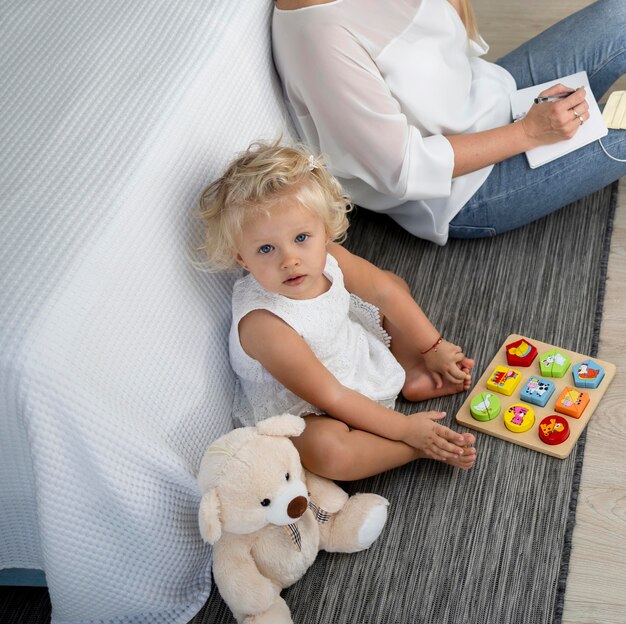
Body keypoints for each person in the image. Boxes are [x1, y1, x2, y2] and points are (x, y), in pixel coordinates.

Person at [199, 141, 477, 480]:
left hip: (347, 350)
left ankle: (413, 370)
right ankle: (417, 448)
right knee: (328, 452)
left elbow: (385, 293)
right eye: (266, 249)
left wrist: (433, 346)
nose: (290, 260)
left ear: (325, 230)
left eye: (302, 237)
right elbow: (331, 395)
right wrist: (405, 430)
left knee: (392, 284)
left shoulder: (330, 258)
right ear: (241, 257)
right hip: (310, 405)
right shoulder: (263, 324)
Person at [272, 0, 626, 245]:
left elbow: (450, 47)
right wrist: (530, 132)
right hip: (462, 190)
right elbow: (402, 171)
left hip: (495, 93)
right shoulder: (319, 36)